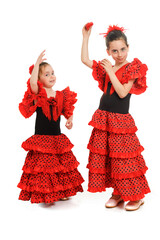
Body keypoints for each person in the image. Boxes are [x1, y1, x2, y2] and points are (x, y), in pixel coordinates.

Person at [81, 24, 150, 211]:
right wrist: (85, 37)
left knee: (125, 160)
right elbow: (85, 60)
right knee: (109, 159)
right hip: (103, 118)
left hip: (121, 121)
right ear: (108, 51)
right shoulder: (107, 67)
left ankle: (136, 196)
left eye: (122, 49)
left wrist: (110, 70)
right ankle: (118, 193)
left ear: (128, 47)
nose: (119, 54)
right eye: (114, 51)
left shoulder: (132, 68)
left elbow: (121, 93)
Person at [17, 50, 84, 204]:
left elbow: (67, 111)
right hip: (41, 138)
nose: (51, 76)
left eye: (52, 73)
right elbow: (32, 82)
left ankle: (60, 191)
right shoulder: (38, 93)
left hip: (56, 138)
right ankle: (46, 193)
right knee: (45, 168)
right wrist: (36, 63)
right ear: (39, 79)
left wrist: (70, 120)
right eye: (46, 74)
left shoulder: (60, 95)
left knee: (59, 167)